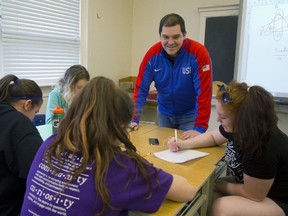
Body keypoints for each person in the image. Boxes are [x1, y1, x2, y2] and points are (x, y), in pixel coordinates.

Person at [21, 76, 196, 216]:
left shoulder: (50, 144)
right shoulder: (118, 166)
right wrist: (146, 167)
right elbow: (187, 191)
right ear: (119, 126)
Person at [168, 81, 288, 216]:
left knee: (222, 207)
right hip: (255, 187)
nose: (218, 119)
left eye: (223, 117)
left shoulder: (262, 144)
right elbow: (214, 137)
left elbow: (253, 195)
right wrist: (182, 144)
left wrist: (216, 184)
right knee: (203, 192)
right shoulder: (238, 128)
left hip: (278, 199)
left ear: (244, 119)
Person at [131, 13, 213, 140]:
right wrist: (134, 118)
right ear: (159, 36)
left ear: (184, 35)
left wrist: (200, 127)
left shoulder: (198, 53)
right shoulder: (152, 55)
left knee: (188, 154)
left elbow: (203, 91)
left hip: (190, 116)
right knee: (164, 150)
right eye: (165, 37)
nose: (170, 42)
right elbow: (141, 88)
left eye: (176, 37)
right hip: (164, 113)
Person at [0, 74, 43, 216]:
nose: (33, 118)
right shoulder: (20, 126)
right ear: (27, 104)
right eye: (35, 113)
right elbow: (40, 172)